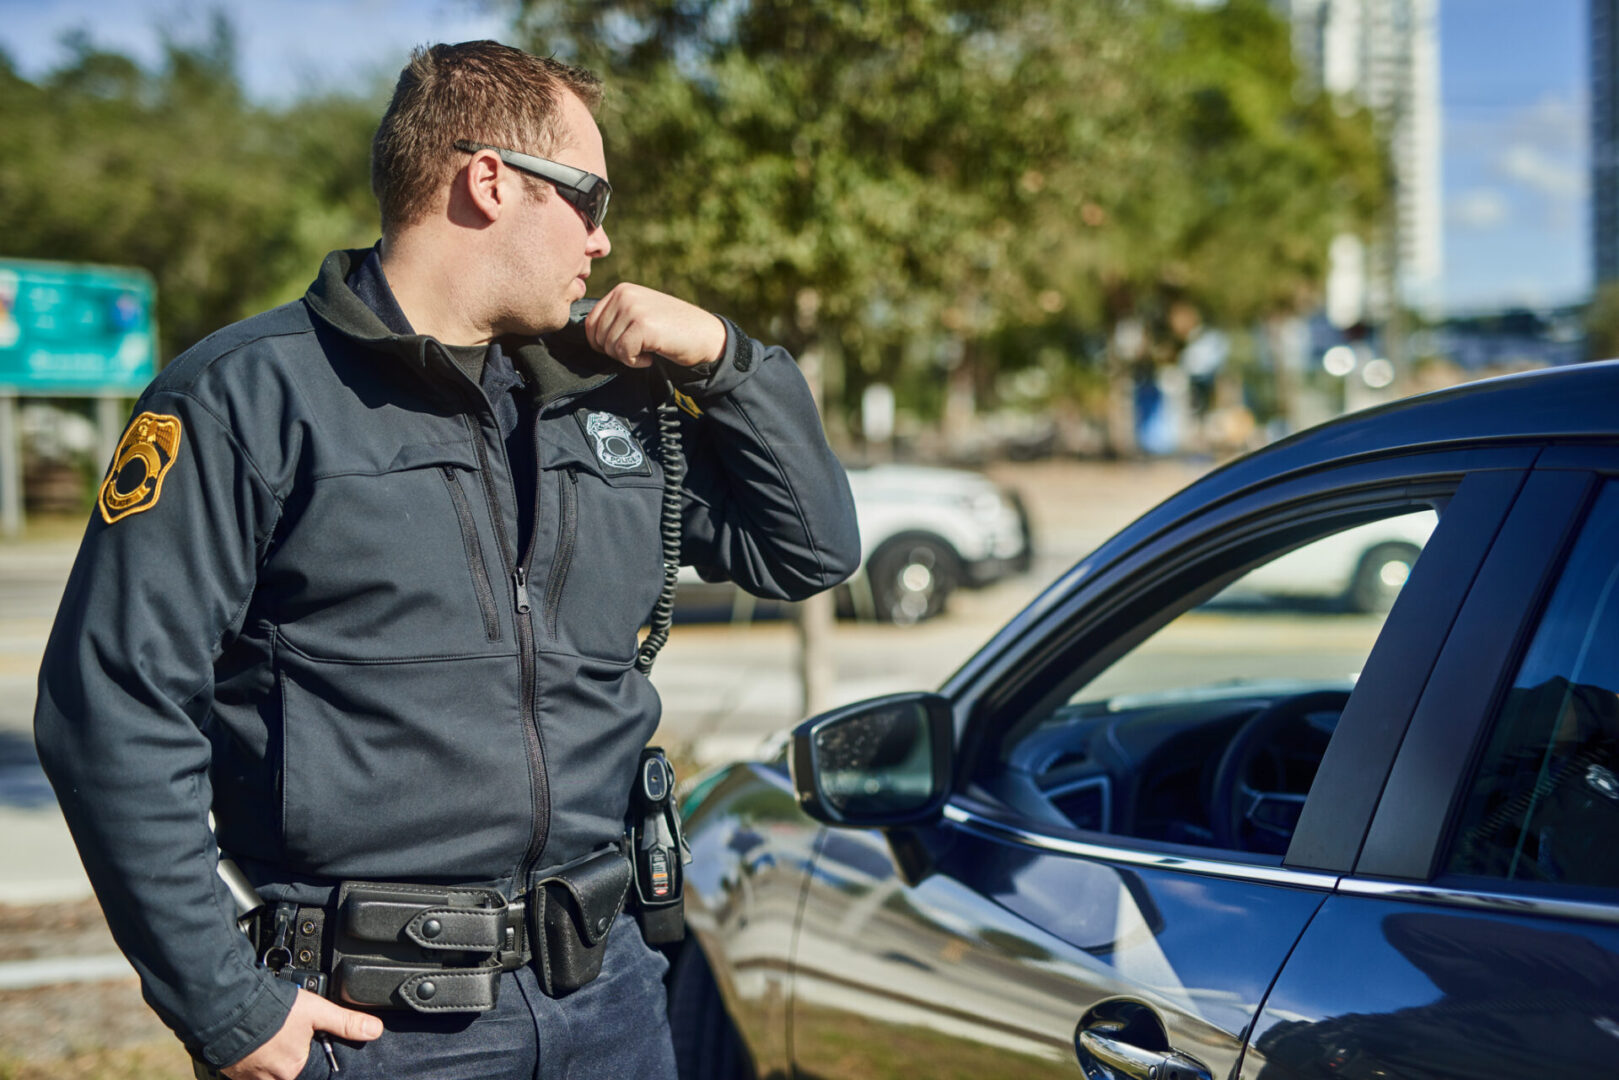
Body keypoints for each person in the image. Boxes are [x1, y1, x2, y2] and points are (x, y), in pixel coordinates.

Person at [34, 40, 859, 1080]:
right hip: (369, 1028)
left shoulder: (603, 397)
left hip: (608, 1000)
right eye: (587, 196)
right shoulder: (244, 397)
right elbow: (111, 705)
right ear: (488, 181)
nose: (602, 240)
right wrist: (227, 1005)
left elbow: (809, 550)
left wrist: (732, 366)